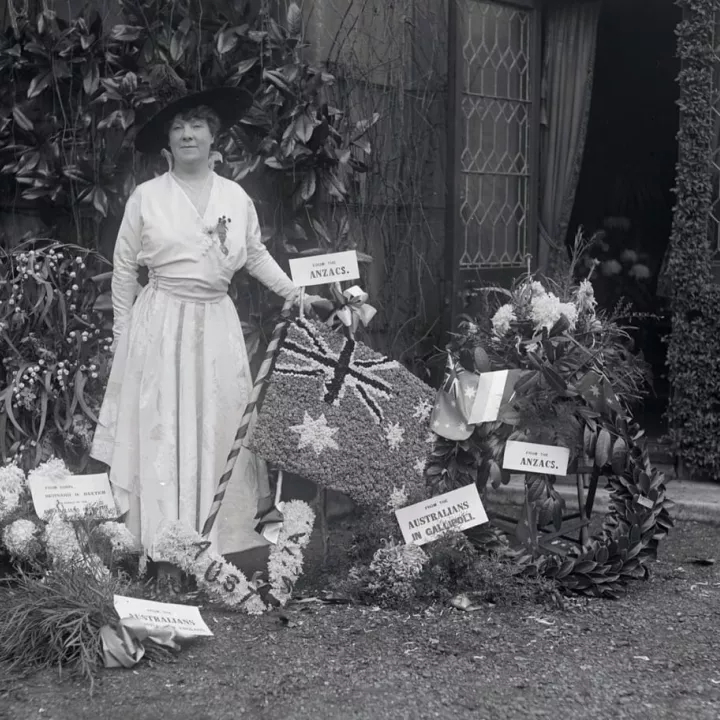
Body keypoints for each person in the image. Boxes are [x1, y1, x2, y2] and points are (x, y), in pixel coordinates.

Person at [90, 76, 317, 563]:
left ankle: (213, 542)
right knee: (161, 425)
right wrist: (123, 336)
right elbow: (125, 268)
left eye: (197, 125)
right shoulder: (147, 197)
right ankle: (158, 540)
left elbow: (254, 255)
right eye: (178, 127)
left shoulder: (235, 198)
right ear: (168, 142)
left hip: (215, 323)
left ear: (215, 137)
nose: (188, 134)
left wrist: (294, 292)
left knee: (215, 421)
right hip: (160, 323)